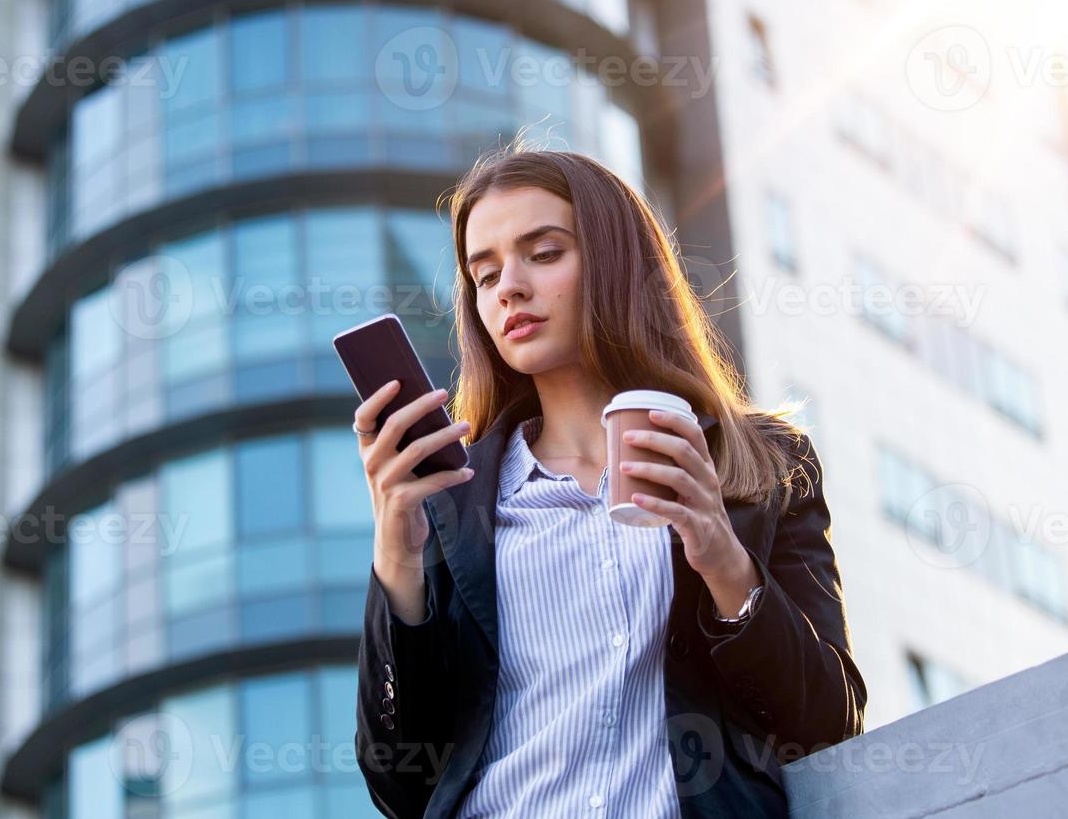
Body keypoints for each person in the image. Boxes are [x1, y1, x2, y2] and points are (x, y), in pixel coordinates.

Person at [352, 142, 866, 818]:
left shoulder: (763, 464)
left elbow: (827, 721)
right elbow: (399, 784)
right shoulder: (453, 501)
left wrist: (722, 559)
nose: (508, 286)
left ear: (617, 262)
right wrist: (396, 557)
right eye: (484, 274)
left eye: (544, 252)